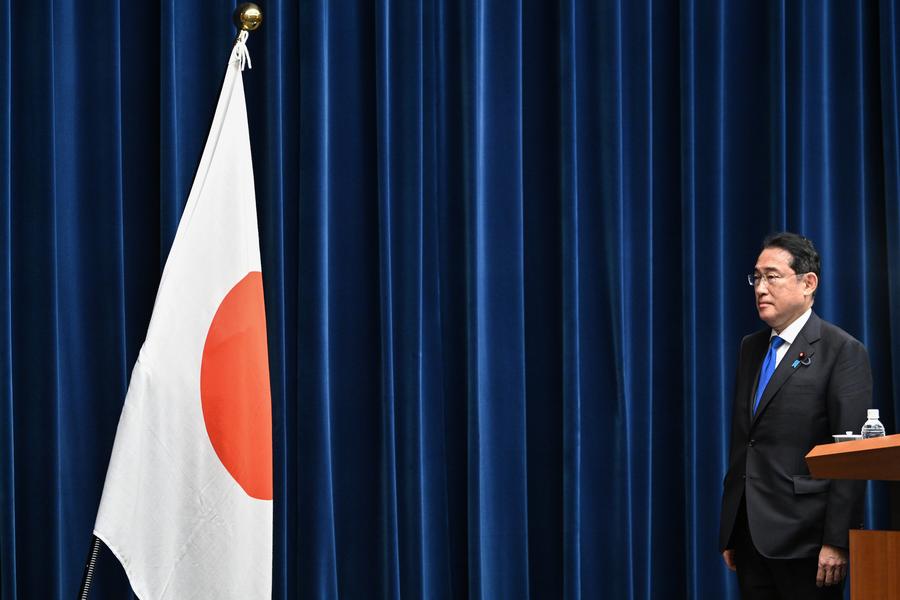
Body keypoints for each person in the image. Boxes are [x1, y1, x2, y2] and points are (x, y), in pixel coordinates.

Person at [719, 232, 870, 599]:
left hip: (808, 542)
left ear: (808, 283)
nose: (760, 288)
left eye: (772, 276)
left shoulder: (842, 351)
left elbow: (852, 456)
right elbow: (746, 441)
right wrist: (731, 526)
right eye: (756, 277)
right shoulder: (751, 348)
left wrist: (837, 540)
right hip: (750, 536)